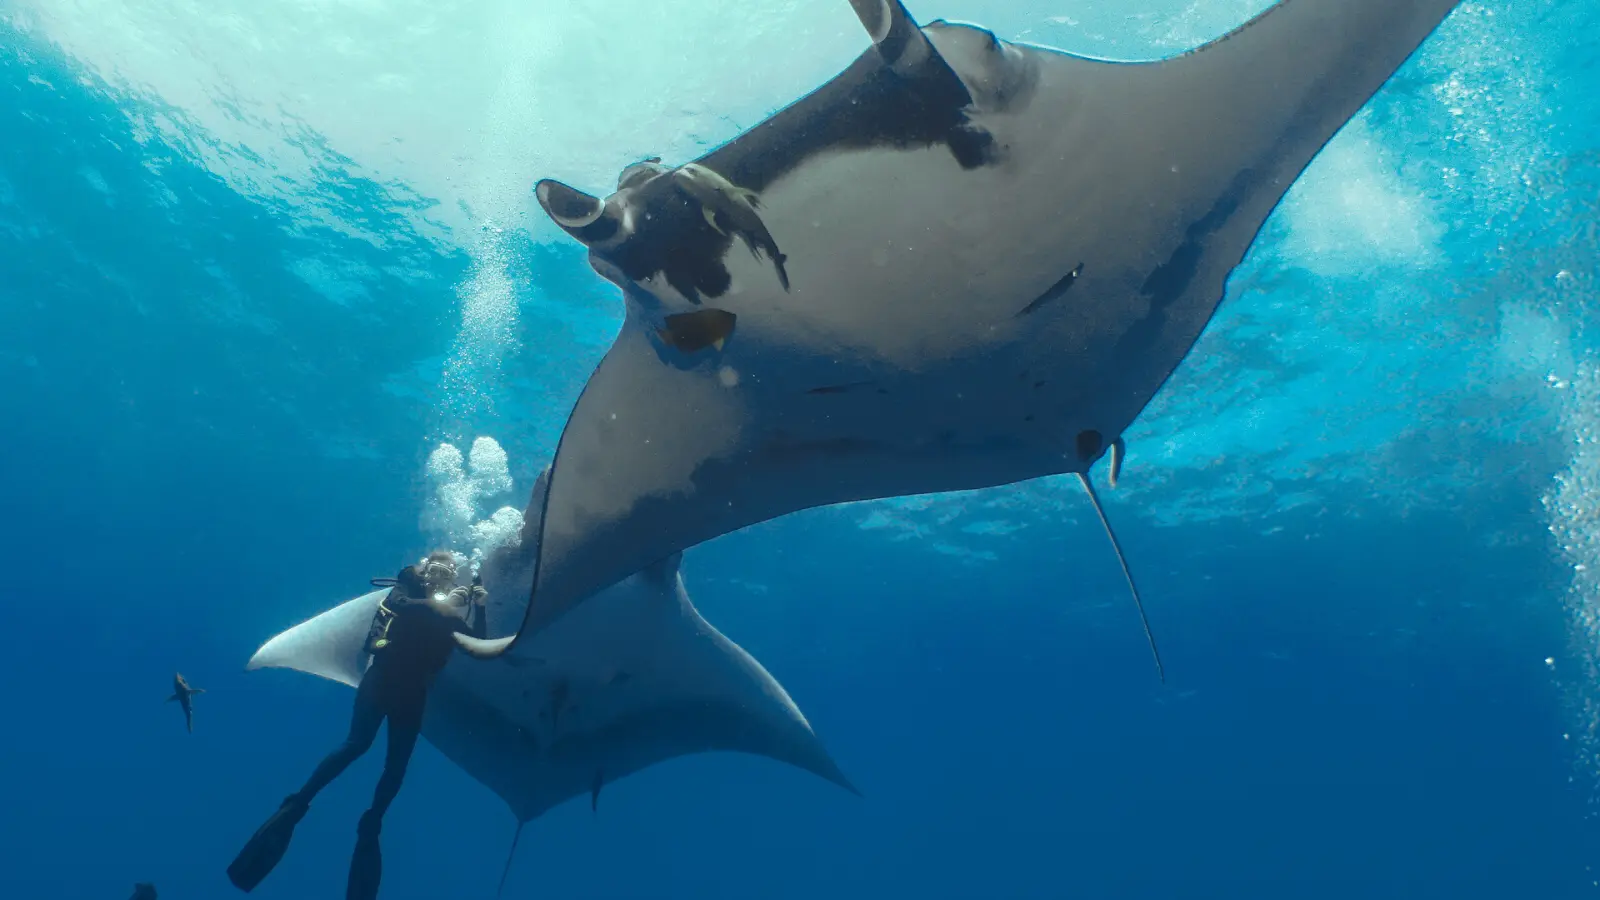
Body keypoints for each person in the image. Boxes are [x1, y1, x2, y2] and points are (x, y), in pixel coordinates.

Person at [227, 551, 489, 900]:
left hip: (414, 690)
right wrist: (446, 605)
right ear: (425, 569)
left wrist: (480, 606)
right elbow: (405, 606)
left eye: (448, 572)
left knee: (396, 768)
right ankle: (297, 803)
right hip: (383, 675)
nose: (442, 576)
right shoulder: (406, 587)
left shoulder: (447, 610)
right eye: (437, 569)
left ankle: (373, 823)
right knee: (357, 744)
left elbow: (480, 644)